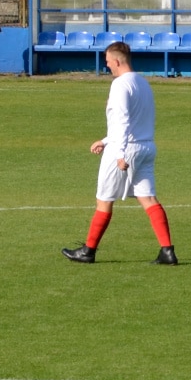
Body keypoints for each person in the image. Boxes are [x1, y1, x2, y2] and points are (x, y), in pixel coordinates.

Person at [62, 41, 177, 265]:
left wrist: (120, 151)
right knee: (149, 198)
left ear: (116, 61)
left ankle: (88, 251)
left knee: (104, 199)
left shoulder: (120, 85)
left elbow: (123, 120)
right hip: (146, 146)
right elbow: (133, 120)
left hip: (125, 149)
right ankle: (167, 251)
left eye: (107, 62)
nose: (107, 67)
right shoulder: (143, 83)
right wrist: (105, 140)